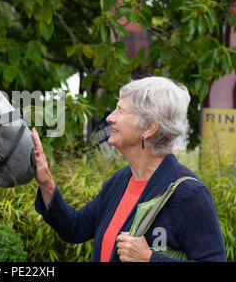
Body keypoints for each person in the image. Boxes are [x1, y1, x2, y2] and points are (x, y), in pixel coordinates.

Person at [32, 76, 227, 262]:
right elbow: (75, 228)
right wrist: (46, 181)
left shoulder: (188, 194)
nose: (110, 118)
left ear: (148, 128)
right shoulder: (120, 181)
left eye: (121, 111)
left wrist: (149, 258)